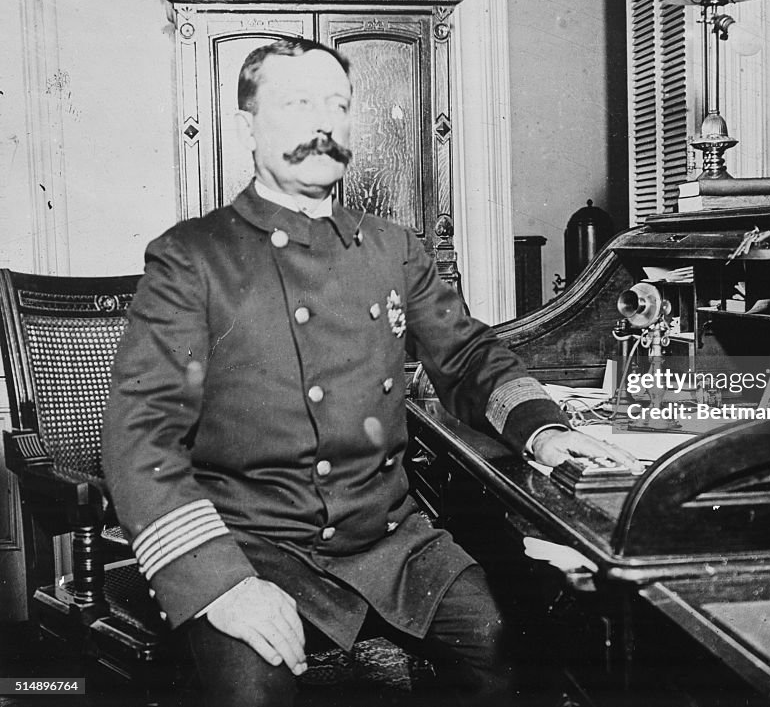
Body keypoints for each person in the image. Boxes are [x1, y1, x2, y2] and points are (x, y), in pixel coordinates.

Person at [102, 38, 637, 706]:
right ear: (247, 126)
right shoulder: (193, 258)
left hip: (392, 542)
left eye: (337, 104)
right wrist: (219, 583)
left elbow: (468, 356)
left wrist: (545, 432)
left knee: (510, 644)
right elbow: (140, 439)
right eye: (298, 102)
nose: (322, 122)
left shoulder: (393, 248)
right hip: (253, 543)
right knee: (252, 692)